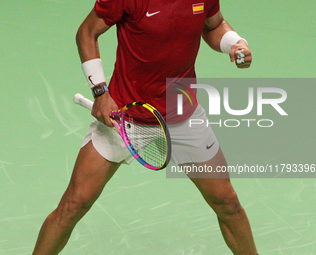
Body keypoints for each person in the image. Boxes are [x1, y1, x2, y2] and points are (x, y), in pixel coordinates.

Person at [32, 0, 258, 254]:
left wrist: (236, 42)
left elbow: (213, 25)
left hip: (182, 115)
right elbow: (87, 32)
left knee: (227, 202)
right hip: (122, 117)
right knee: (74, 204)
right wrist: (100, 92)